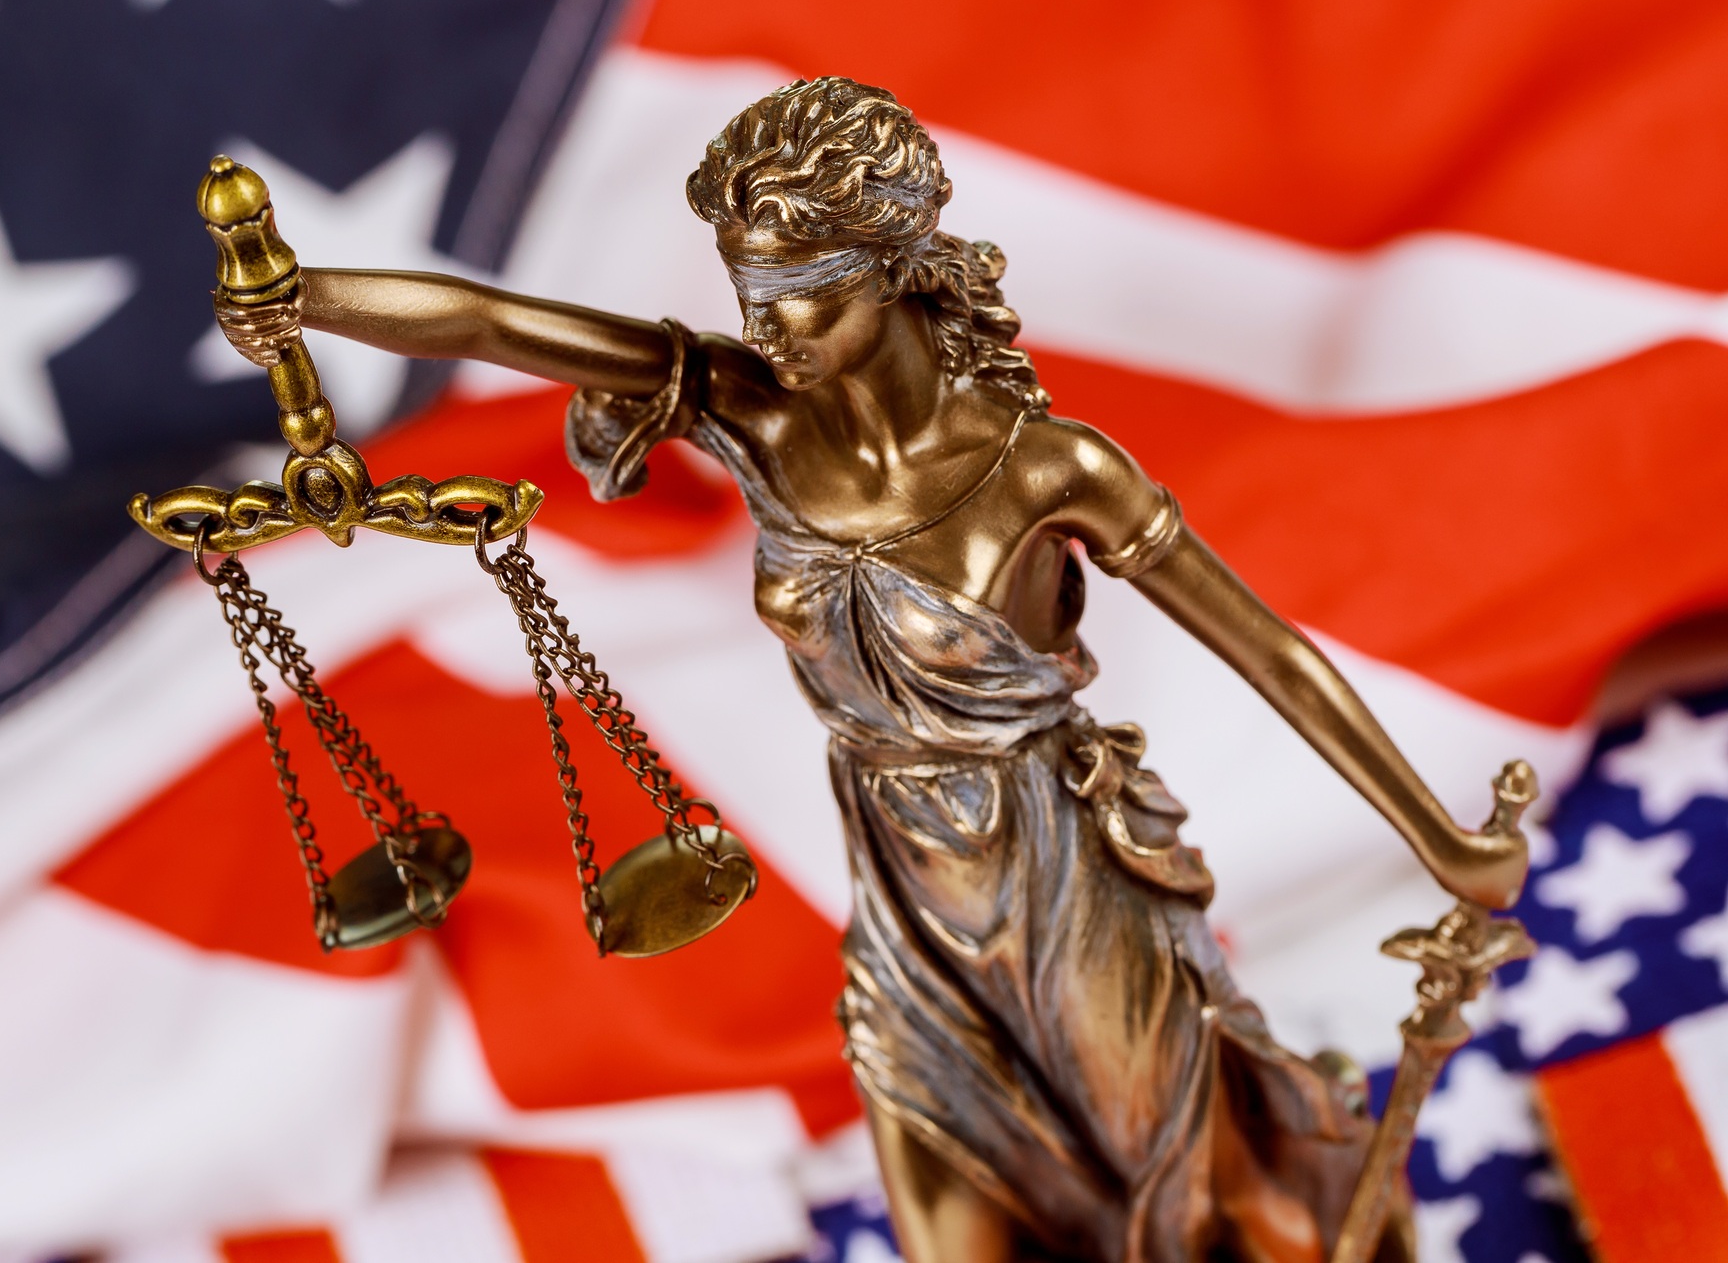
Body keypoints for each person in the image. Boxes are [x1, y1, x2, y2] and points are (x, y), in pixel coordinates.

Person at [214, 77, 1527, 1263]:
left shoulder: (1046, 469)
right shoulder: (751, 409)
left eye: (803, 296)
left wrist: (1443, 839)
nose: (768, 329)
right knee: (947, 1205)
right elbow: (500, 322)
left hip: (1062, 876)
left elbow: (1274, 656)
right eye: (750, 296)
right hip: (898, 892)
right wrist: (306, 296)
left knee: (1180, 1196)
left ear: (894, 270)